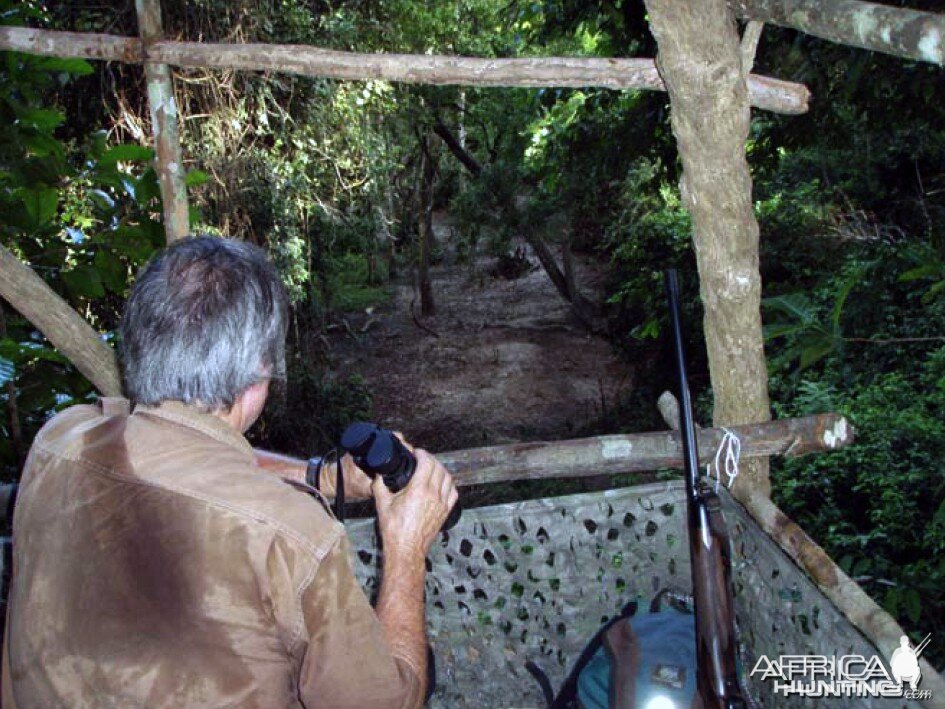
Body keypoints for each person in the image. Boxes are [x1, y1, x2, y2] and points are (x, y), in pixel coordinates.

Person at [1, 235, 458, 707]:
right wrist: (405, 548)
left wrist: (319, 477)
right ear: (259, 373)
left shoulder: (59, 441)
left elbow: (178, 455)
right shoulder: (296, 537)